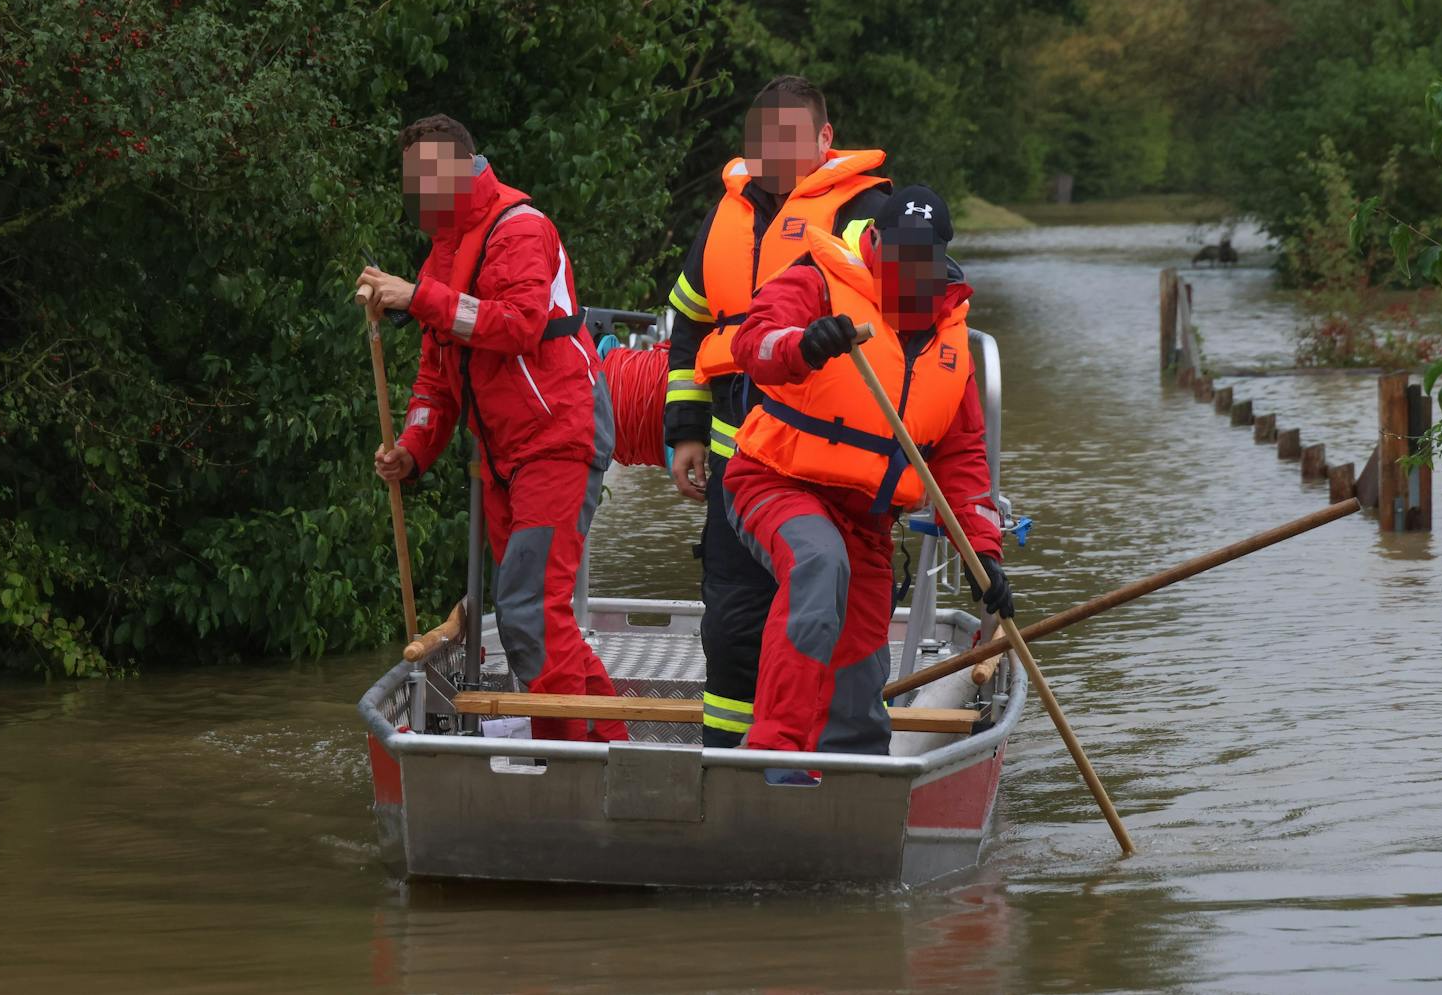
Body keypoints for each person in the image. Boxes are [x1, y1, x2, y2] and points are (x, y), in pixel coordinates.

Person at [723, 185, 1012, 775]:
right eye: (898, 254)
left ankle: (854, 776)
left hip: (867, 519)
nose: (908, 271)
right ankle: (775, 758)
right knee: (817, 564)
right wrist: (805, 345)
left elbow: (961, 465)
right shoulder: (818, 281)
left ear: (940, 262)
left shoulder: (948, 338)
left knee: (860, 661)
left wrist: (985, 557)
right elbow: (754, 341)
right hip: (777, 481)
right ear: (875, 242)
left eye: (922, 260)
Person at [362, 114, 627, 744]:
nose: (418, 194)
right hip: (507, 454)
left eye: (429, 178)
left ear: (464, 167)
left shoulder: (520, 227)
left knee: (531, 610)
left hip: (559, 434)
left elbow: (519, 323)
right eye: (411, 182)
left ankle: (566, 763)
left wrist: (417, 297)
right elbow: (434, 381)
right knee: (534, 614)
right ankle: (610, 744)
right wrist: (411, 450)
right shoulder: (441, 256)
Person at [663, 75, 892, 747]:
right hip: (740, 462)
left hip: (826, 468)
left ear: (825, 139)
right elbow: (688, 325)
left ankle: (831, 758)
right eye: (764, 139)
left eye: (793, 137)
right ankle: (729, 765)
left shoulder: (866, 210)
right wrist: (685, 433)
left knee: (834, 618)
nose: (777, 151)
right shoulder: (726, 215)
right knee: (732, 623)